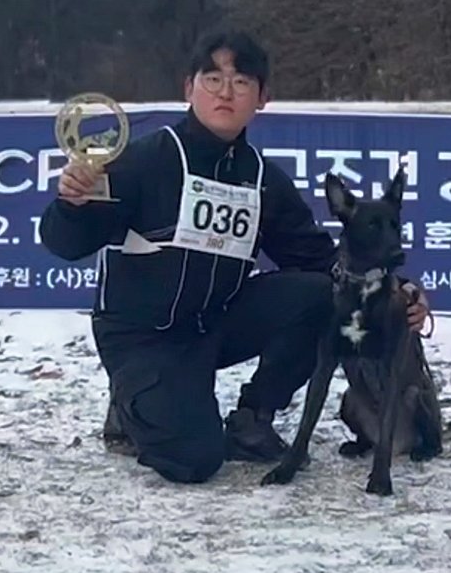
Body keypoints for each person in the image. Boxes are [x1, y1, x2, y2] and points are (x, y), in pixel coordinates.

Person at [38, 29, 430, 484]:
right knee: (194, 461)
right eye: (213, 79)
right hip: (143, 339)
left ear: (262, 98)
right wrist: (72, 204)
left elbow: (322, 261)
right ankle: (133, 406)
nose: (226, 92)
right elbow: (66, 245)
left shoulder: (264, 179)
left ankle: (252, 419)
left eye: (241, 82)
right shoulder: (142, 161)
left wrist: (400, 291)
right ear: (189, 88)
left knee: (324, 294)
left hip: (215, 324)